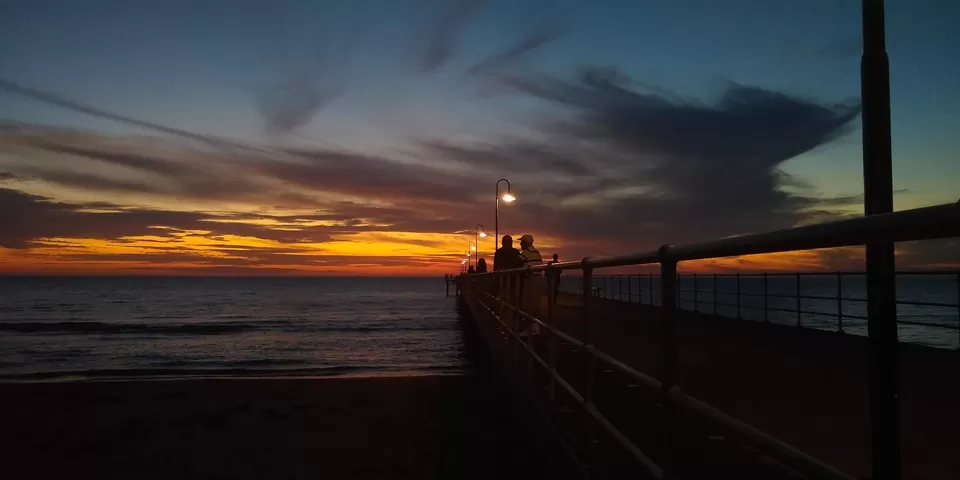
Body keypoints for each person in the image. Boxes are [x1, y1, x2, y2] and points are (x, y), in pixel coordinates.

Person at [517, 234, 543, 336]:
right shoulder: (537, 252)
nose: (520, 243)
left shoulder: (526, 252)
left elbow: (517, 261)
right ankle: (535, 327)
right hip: (539, 279)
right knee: (535, 304)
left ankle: (530, 328)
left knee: (526, 304)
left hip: (531, 279)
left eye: (522, 241)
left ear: (526, 243)